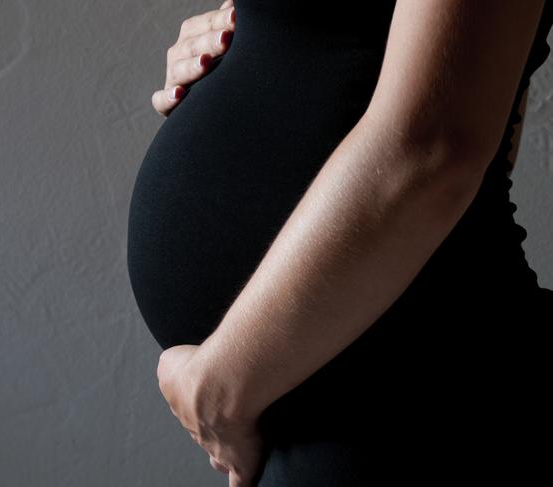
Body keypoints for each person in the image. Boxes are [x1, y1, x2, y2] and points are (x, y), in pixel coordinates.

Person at [128, 1, 553, 485]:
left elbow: (437, 147)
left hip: (414, 395)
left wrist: (219, 388)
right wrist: (245, 38)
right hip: (326, 402)